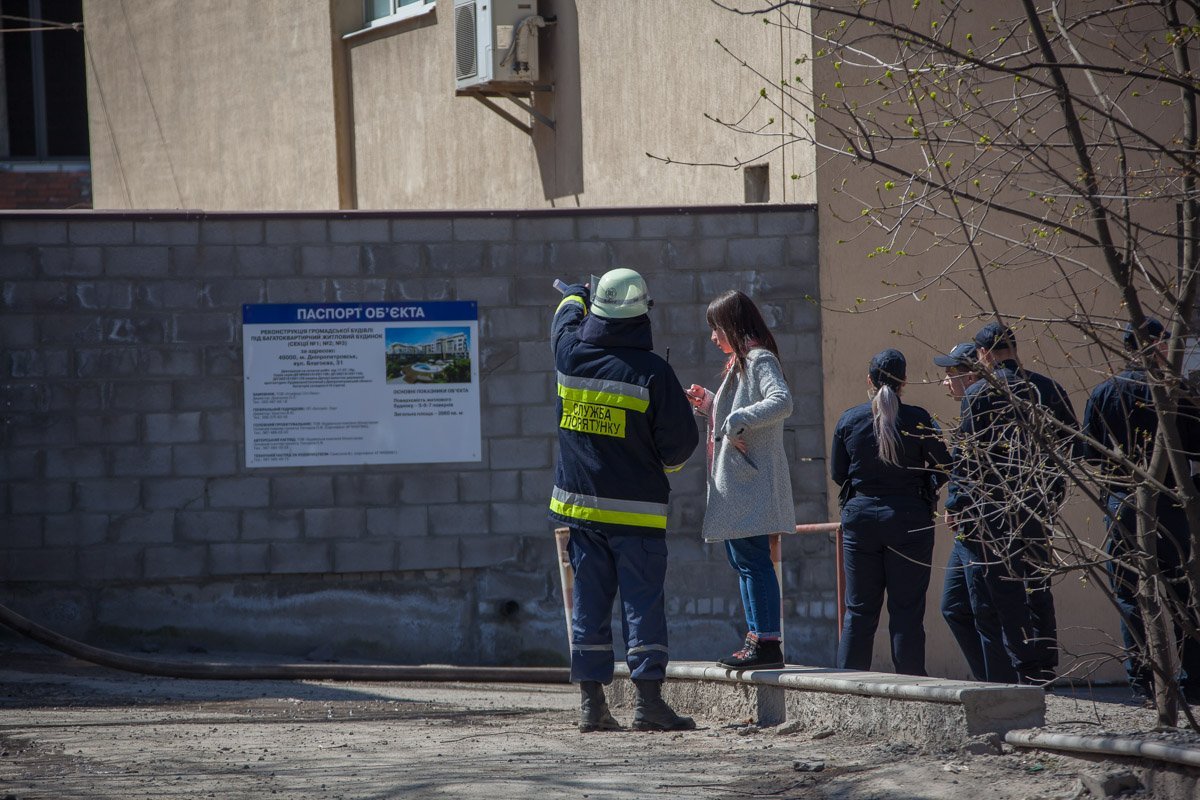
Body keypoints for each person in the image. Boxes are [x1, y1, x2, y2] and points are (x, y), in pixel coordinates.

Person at [549, 267, 700, 732]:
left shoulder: (570, 355)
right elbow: (680, 446)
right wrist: (660, 467)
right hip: (637, 515)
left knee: (589, 607)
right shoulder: (653, 373)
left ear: (597, 311)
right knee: (642, 607)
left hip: (580, 511)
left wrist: (576, 293)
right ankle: (648, 703)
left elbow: (562, 320)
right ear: (641, 315)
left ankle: (592, 706)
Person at [1082, 318, 1200, 703]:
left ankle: (1143, 683)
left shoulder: (1104, 393)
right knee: (1181, 593)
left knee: (1131, 595)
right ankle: (1192, 681)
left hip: (1123, 503)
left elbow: (1089, 454)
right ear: (1157, 346)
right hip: (1170, 503)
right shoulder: (1177, 393)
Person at [954, 321, 1078, 685]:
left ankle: (1024, 668)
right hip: (1037, 502)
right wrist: (1053, 488)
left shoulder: (978, 394)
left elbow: (967, 456)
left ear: (984, 354)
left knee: (1006, 588)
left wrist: (959, 502)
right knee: (1038, 582)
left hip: (994, 506)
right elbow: (1072, 442)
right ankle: (1044, 663)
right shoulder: (1046, 389)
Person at [685, 291, 794, 670]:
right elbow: (738, 413)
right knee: (743, 559)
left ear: (732, 325)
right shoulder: (742, 362)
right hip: (741, 483)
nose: (714, 337)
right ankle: (757, 638)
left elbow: (782, 401)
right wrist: (711, 404)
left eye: (717, 328)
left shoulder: (760, 358)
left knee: (752, 560)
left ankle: (765, 642)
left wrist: (733, 418)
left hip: (750, 483)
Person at [830, 348, 951, 675]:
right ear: (904, 383)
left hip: (861, 520)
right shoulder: (919, 419)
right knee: (907, 612)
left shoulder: (848, 420)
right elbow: (946, 466)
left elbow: (839, 474)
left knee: (858, 611)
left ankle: (848, 693)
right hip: (910, 521)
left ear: (869, 381)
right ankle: (913, 691)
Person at [934, 342, 1018, 684]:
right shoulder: (972, 405)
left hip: (985, 521)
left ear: (970, 373)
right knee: (954, 605)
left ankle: (1002, 686)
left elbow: (970, 466)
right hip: (969, 523)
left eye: (950, 374)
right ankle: (991, 680)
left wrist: (955, 505)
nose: (945, 382)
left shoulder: (987, 401)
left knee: (987, 609)